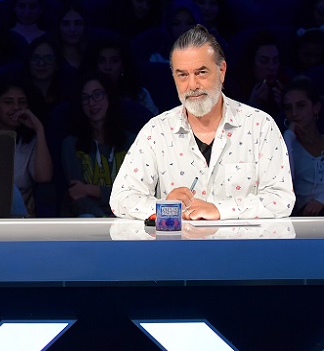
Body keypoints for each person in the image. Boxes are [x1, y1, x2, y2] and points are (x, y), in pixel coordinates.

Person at [110, 25, 295, 220]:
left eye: (201, 72)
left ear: (221, 71)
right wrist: (165, 207)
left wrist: (219, 210)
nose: (192, 85)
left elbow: (281, 199)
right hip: (180, 240)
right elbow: (121, 198)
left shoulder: (260, 126)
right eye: (183, 75)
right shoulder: (157, 131)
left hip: (242, 240)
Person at [62, 72, 133, 217]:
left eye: (97, 94)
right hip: (90, 217)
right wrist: (103, 220)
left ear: (109, 97)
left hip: (126, 215)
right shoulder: (71, 144)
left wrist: (91, 190)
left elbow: (135, 195)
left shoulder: (132, 142)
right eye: (85, 98)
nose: (92, 103)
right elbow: (77, 195)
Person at [0, 79, 52, 216]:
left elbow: (44, 177)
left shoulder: (30, 142)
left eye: (22, 102)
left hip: (19, 214)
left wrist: (39, 129)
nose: (16, 107)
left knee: (12, 190)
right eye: (8, 102)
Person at [281, 77, 324, 216]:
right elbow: (283, 179)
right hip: (305, 217)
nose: (294, 113)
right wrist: (288, 136)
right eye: (289, 108)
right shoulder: (287, 145)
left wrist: (322, 200)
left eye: (301, 106)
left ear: (316, 107)